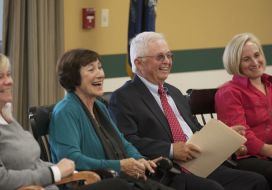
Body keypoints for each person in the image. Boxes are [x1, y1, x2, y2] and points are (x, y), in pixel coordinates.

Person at [48, 48, 232, 190]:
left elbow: (123, 142)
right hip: (95, 182)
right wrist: (120, 165)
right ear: (73, 77)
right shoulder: (66, 111)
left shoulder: (99, 107)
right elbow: (71, 159)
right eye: (91, 69)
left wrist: (140, 159)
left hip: (122, 177)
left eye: (100, 67)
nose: (100, 74)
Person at [108, 31, 269, 190]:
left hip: (201, 163)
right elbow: (127, 141)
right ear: (139, 63)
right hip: (168, 170)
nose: (167, 61)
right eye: (160, 57)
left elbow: (196, 129)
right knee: (212, 188)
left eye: (169, 56)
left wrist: (225, 138)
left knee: (256, 181)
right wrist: (170, 150)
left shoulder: (175, 92)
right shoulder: (123, 97)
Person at [0, 48, 132, 190]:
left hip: (51, 186)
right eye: (0, 77)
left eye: (8, 74)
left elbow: (33, 163)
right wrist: (54, 172)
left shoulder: (3, 116)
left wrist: (71, 172)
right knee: (121, 186)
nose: (10, 81)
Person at [215, 32, 272, 188]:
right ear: (235, 63)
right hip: (244, 156)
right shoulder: (229, 92)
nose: (255, 62)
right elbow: (241, 134)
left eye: (256, 55)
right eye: (246, 59)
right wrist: (268, 150)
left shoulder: (270, 84)